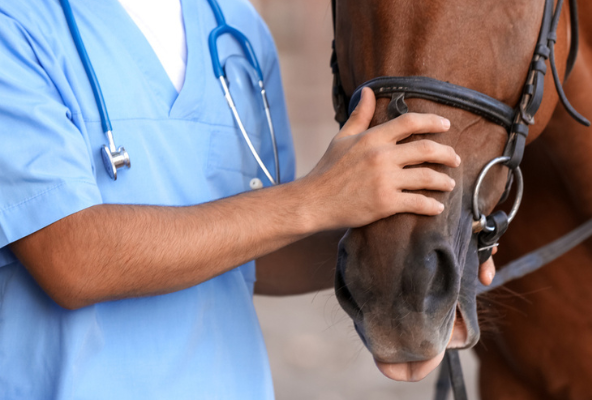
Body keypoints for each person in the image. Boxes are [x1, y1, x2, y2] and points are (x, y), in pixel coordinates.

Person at [0, 0, 495, 398]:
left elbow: (256, 249)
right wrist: (315, 199)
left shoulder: (236, 29)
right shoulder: (16, 24)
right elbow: (70, 258)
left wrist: (413, 258)